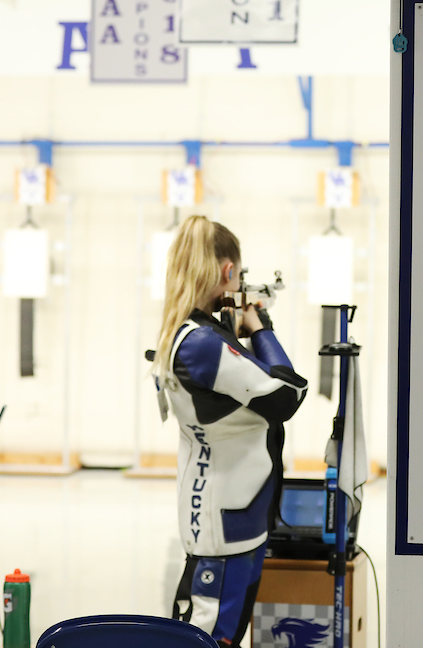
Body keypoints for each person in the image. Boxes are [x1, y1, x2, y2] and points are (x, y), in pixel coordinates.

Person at [155, 216, 308, 647]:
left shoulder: (197, 335)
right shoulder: (199, 343)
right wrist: (260, 328)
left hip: (239, 517)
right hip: (223, 527)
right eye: (238, 275)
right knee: (209, 641)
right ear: (227, 273)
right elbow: (286, 395)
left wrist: (238, 331)